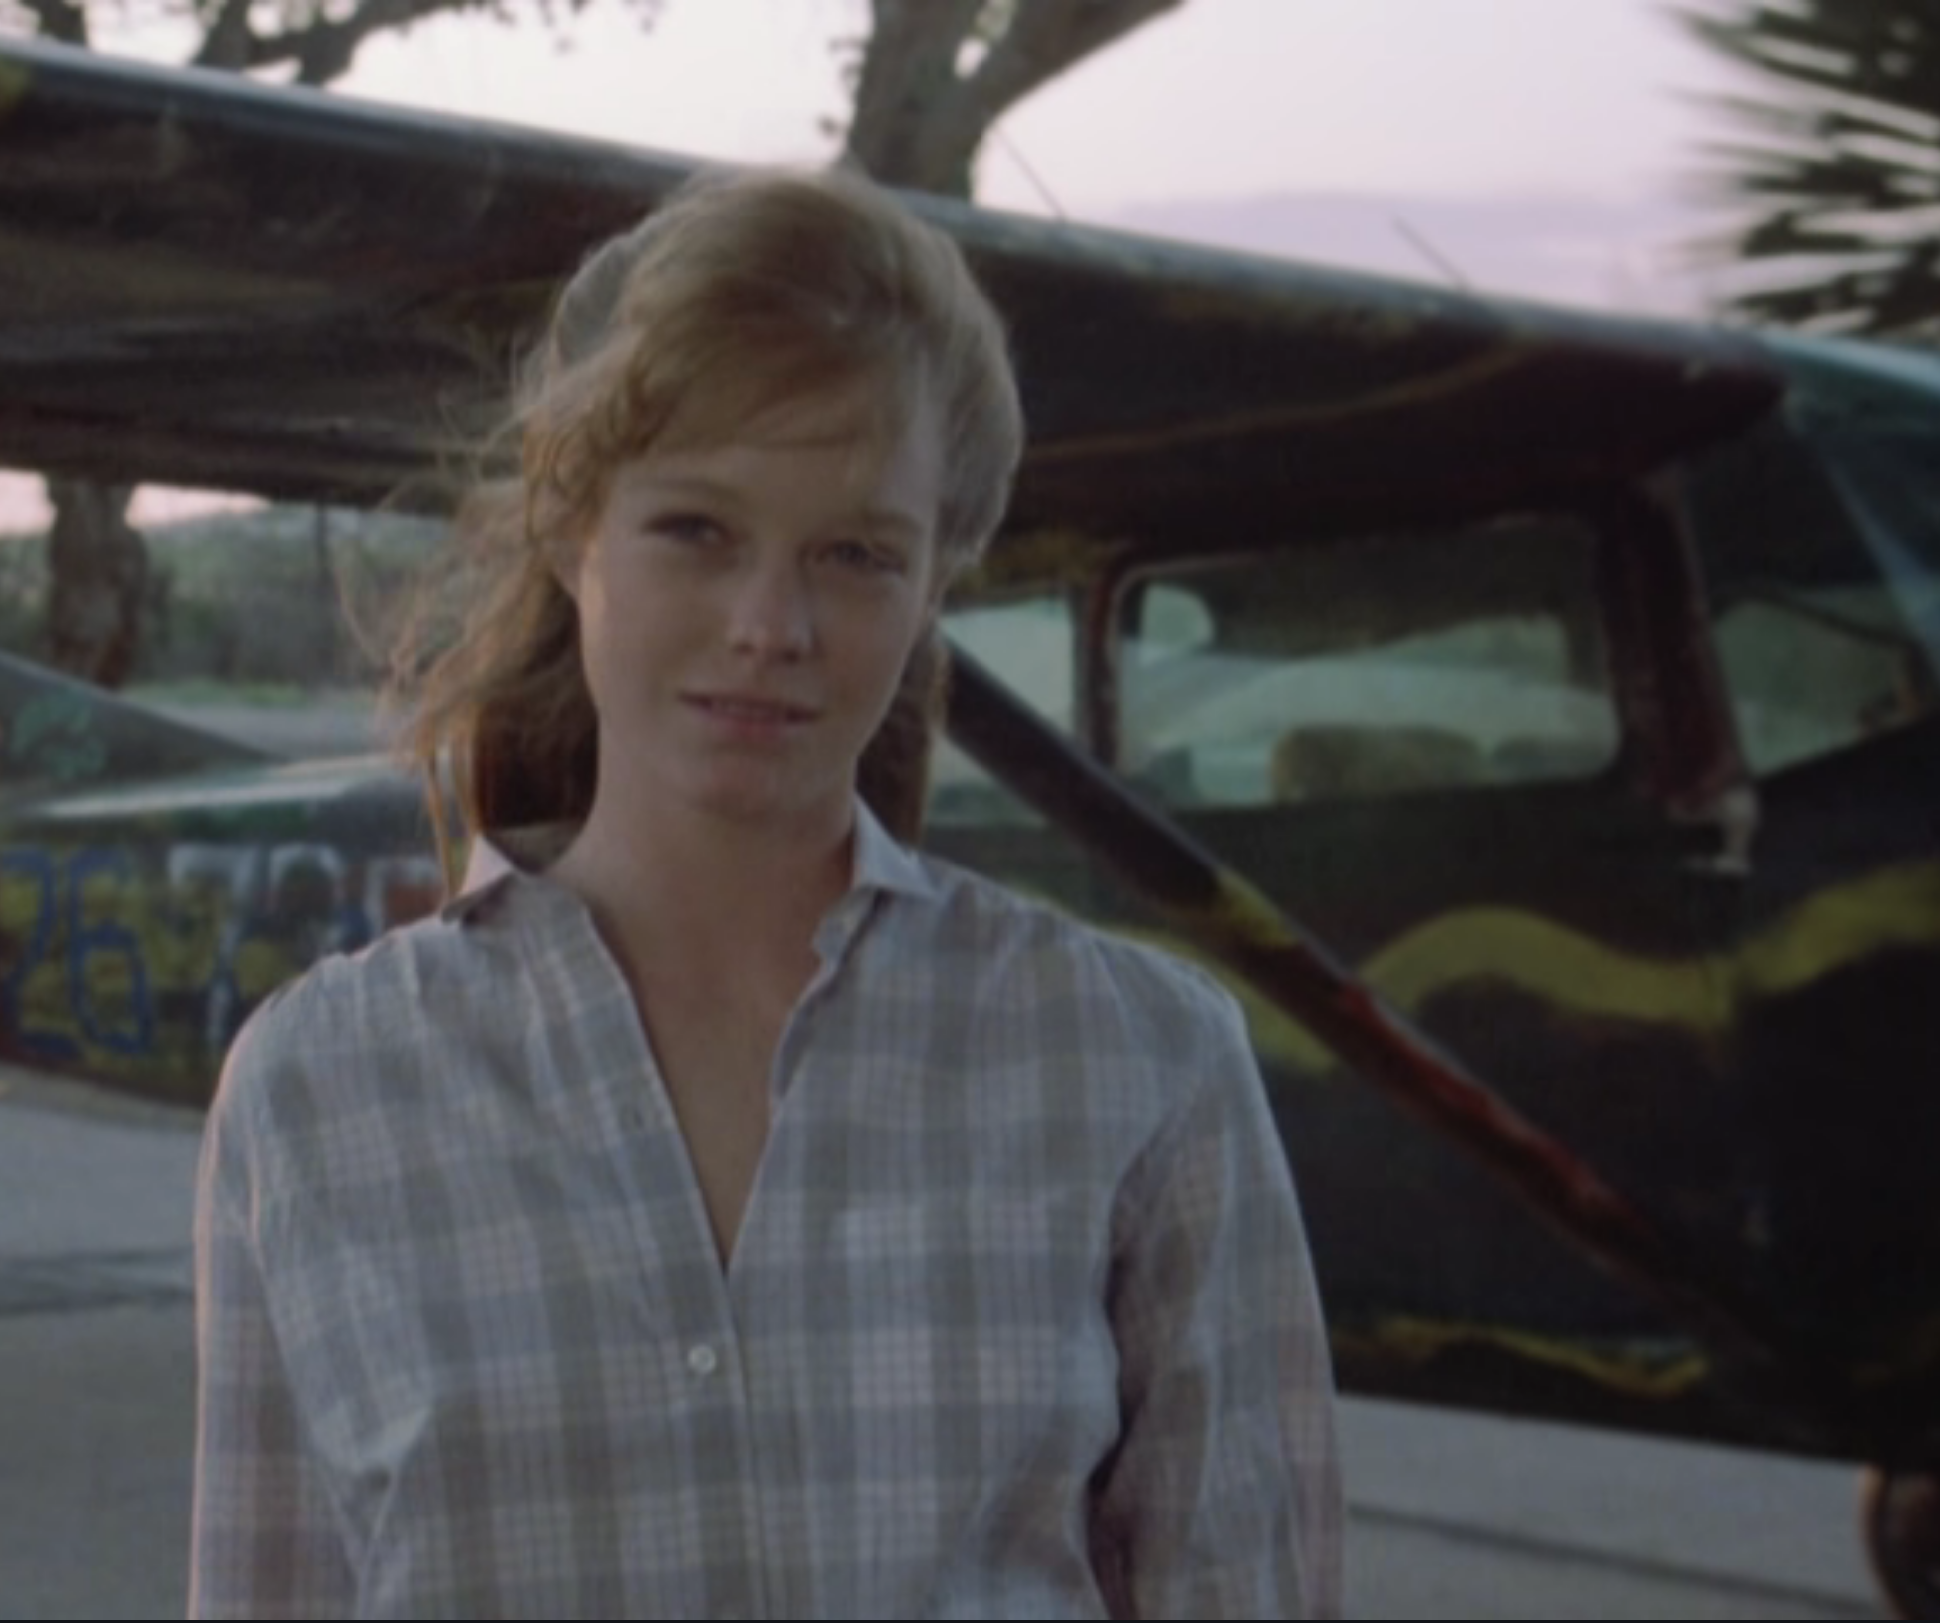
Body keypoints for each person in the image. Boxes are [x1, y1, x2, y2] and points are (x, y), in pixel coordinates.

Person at [188, 166, 1341, 1619]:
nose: (770, 625)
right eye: (697, 528)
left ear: (936, 580)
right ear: (570, 528)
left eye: (856, 554)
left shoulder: (1140, 1061)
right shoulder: (316, 1090)